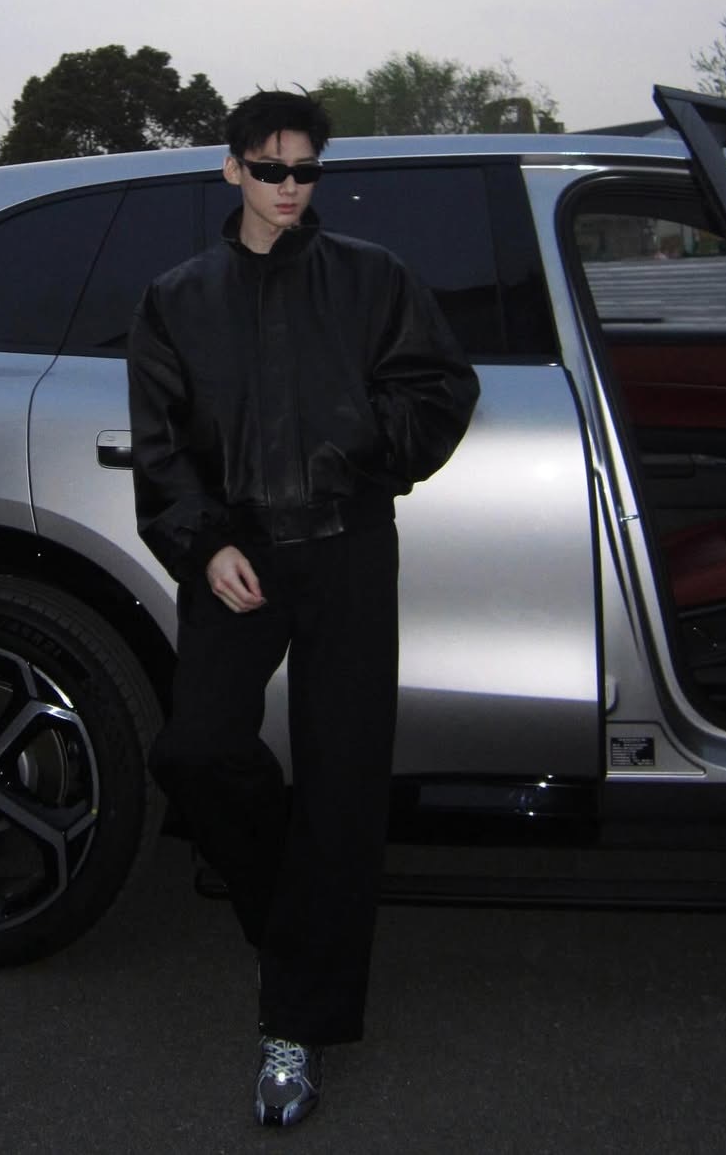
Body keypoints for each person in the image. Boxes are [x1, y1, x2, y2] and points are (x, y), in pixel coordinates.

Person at [127, 89, 478, 1127]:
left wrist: (357, 436)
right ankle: (300, 915)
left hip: (349, 548)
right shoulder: (177, 299)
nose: (290, 187)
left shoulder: (373, 277)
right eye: (271, 168)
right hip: (239, 556)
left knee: (342, 784)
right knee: (196, 749)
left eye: (306, 170)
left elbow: (441, 391)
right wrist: (205, 544)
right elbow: (160, 447)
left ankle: (297, 1022)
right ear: (232, 168)